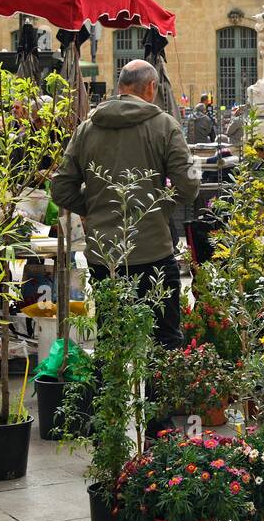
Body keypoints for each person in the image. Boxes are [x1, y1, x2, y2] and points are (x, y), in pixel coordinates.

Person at [51, 59, 199, 349]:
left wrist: (93, 207)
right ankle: (158, 396)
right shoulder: (164, 125)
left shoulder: (86, 129)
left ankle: (115, 392)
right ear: (151, 87)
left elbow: (60, 187)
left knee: (111, 340)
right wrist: (161, 207)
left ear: (120, 86)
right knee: (165, 341)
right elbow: (189, 185)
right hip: (153, 249)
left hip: (105, 255)